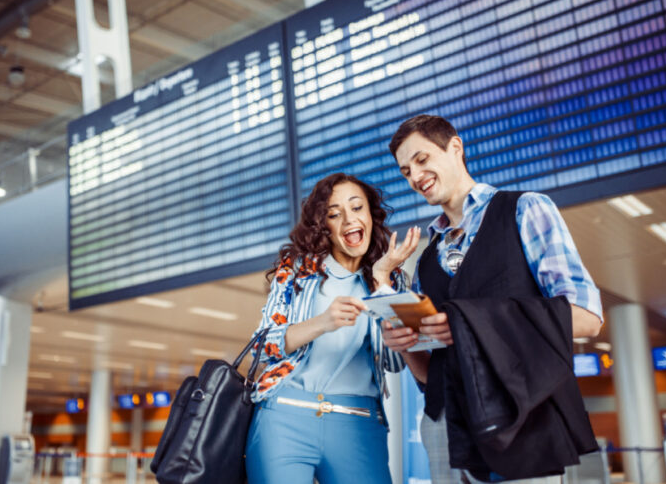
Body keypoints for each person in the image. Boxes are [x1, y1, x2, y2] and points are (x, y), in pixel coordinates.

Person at [381, 115, 603, 484]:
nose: (415, 177)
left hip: (523, 420)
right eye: (405, 171)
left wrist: (465, 322)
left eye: (422, 160)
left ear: (455, 148)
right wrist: (407, 345)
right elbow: (429, 372)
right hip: (444, 428)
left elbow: (585, 316)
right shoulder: (425, 260)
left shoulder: (525, 209)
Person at [246, 172, 420, 484]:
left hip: (359, 423)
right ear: (323, 226)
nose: (348, 220)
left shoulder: (394, 281)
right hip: (284, 417)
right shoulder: (298, 269)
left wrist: (382, 282)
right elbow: (263, 346)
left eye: (356, 208)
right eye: (333, 214)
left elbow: (399, 361)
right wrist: (322, 322)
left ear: (370, 215)